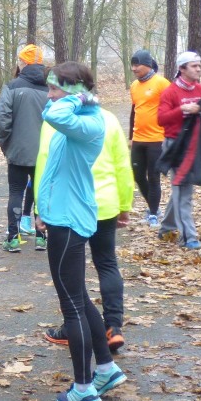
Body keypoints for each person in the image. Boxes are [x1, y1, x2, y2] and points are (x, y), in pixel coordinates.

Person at [36, 61, 126, 401]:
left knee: (70, 305)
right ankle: (105, 369)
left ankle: (84, 387)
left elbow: (54, 114)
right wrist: (42, 209)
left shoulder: (87, 121)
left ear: (73, 92)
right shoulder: (79, 119)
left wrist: (77, 97)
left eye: (55, 88)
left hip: (70, 220)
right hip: (62, 214)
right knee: (79, 297)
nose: (50, 95)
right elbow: (53, 163)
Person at [36, 105, 133, 353]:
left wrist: (41, 207)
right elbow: (122, 164)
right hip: (105, 203)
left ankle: (73, 327)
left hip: (70, 206)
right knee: (107, 262)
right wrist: (124, 203)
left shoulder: (54, 121)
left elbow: (45, 164)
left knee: (70, 269)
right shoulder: (109, 118)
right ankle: (113, 327)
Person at [157, 51, 201, 250]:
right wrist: (183, 110)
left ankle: (166, 227)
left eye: (199, 65)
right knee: (184, 192)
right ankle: (189, 237)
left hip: (195, 145)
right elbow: (161, 119)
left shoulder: (200, 88)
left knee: (181, 189)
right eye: (194, 66)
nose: (198, 69)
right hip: (175, 145)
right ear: (182, 69)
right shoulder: (170, 92)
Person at [0, 44, 49, 252]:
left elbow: (3, 120)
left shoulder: (11, 87)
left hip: (17, 151)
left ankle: (13, 237)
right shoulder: (51, 89)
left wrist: (5, 144)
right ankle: (41, 237)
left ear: (23, 63)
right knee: (41, 193)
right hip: (44, 153)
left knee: (16, 192)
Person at [128, 50, 169, 228]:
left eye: (137, 65)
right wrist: (130, 136)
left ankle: (153, 214)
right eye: (133, 65)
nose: (134, 69)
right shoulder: (134, 86)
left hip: (157, 139)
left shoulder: (162, 83)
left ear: (148, 65)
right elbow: (133, 111)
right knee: (137, 175)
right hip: (138, 138)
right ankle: (154, 207)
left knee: (153, 177)